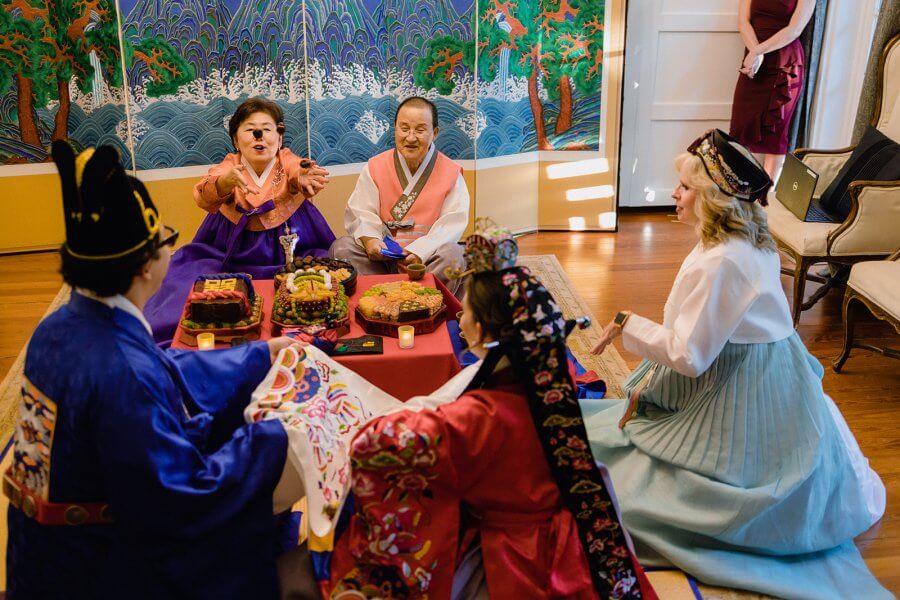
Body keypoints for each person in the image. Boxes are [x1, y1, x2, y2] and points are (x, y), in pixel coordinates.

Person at [585, 129, 890, 599]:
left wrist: (629, 325)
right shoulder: (741, 238)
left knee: (633, 485)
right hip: (768, 361)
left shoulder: (723, 260)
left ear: (712, 197)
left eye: (685, 187)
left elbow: (691, 356)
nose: (674, 194)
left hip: (745, 377)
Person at [5, 141, 303, 598]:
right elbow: (182, 499)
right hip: (101, 568)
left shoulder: (62, 327)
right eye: (166, 239)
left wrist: (261, 354)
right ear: (147, 264)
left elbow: (165, 366)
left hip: (43, 555)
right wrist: (277, 435)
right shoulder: (122, 372)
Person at [318, 228, 657, 599]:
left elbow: (373, 446)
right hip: (572, 538)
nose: (460, 317)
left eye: (467, 311)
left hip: (513, 555)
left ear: (479, 329)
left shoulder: (482, 415)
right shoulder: (548, 381)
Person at [145, 97, 334, 343]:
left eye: (267, 129)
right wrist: (224, 183)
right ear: (236, 139)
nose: (259, 135)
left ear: (279, 137)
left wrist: (302, 176)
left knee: (317, 286)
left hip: (290, 249)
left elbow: (296, 168)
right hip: (227, 251)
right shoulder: (229, 166)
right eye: (249, 129)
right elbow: (206, 191)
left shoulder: (286, 160)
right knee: (186, 286)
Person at [329, 96, 469, 296]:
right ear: (395, 128)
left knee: (454, 254)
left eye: (420, 130)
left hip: (426, 262)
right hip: (382, 261)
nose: (411, 137)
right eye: (404, 128)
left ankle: (421, 301)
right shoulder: (376, 166)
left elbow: (451, 224)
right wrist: (371, 241)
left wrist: (420, 252)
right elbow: (361, 211)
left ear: (434, 133)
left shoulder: (451, 173)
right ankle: (380, 298)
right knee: (341, 248)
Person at [729, 0, 816, 179]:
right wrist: (754, 53)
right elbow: (743, 21)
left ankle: (765, 196)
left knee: (775, 134)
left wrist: (758, 51)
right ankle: (738, 188)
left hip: (784, 64)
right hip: (753, 62)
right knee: (740, 127)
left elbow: (794, 29)